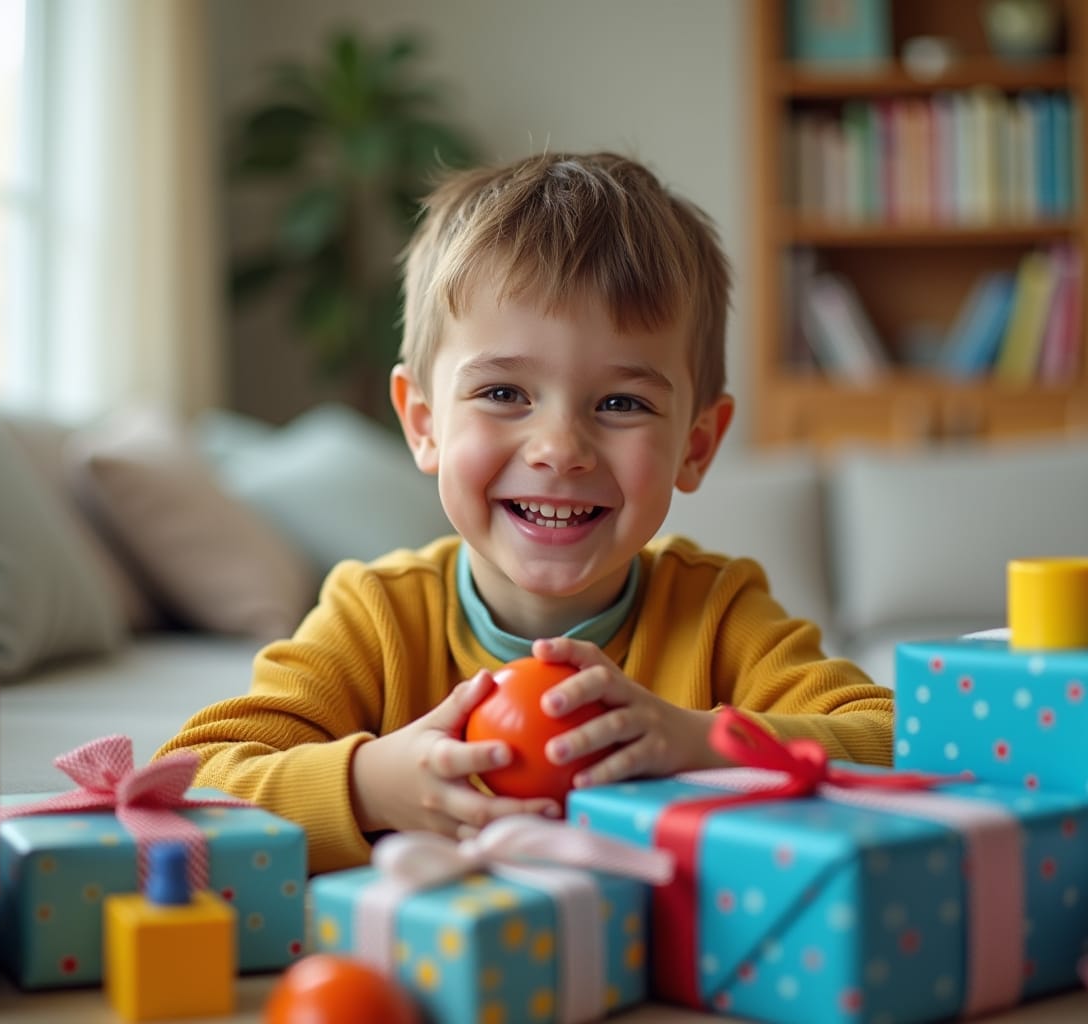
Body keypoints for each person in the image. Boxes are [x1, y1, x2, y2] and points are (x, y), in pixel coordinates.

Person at [155, 151, 894, 872]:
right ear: (423, 423)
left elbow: (899, 739)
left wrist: (702, 741)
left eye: (621, 403)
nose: (559, 449)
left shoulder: (718, 613)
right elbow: (181, 791)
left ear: (696, 445)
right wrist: (369, 785)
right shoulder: (375, 617)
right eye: (505, 393)